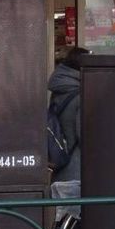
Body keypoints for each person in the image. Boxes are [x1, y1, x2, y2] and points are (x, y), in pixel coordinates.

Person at [47, 46, 89, 183]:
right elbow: (87, 138)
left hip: (60, 168)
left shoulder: (62, 89)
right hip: (77, 173)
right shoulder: (80, 96)